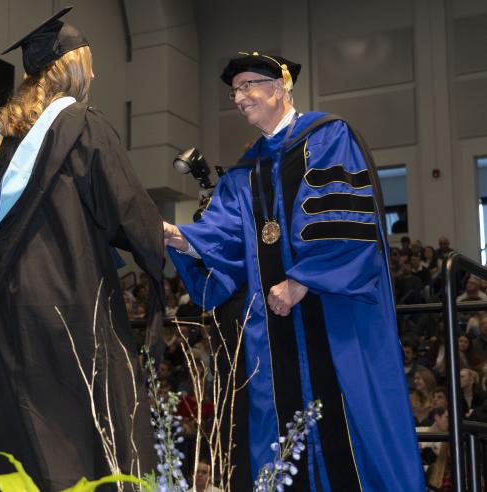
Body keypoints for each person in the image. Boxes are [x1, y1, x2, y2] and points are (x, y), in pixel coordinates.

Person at [163, 52, 423, 490]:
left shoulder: (327, 137)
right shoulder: (245, 172)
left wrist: (303, 280)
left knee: (348, 425)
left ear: (280, 86)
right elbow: (224, 236)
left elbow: (345, 222)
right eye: (235, 91)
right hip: (274, 332)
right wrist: (178, 237)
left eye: (248, 85)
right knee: (280, 433)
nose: (239, 98)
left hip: (333, 316)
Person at [0, 7, 163, 490]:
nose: (95, 74)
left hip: (6, 309)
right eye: (90, 64)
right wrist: (164, 241)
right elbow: (125, 210)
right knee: (84, 429)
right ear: (72, 69)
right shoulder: (84, 126)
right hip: (71, 303)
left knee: (23, 432)